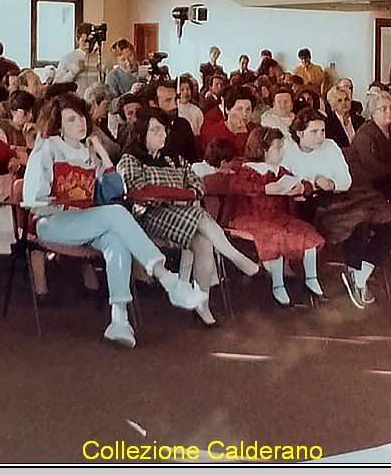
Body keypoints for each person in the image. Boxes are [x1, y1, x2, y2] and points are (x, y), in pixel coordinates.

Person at [21, 94, 206, 347]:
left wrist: (102, 156)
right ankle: (168, 279)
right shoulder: (47, 148)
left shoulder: (87, 151)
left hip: (86, 220)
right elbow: (32, 198)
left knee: (115, 240)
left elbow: (114, 191)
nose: (80, 124)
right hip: (52, 222)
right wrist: (56, 198)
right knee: (116, 215)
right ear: (59, 125)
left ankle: (119, 321)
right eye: (71, 120)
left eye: (81, 117)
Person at [116, 110, 260, 326]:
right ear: (141, 133)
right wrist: (177, 190)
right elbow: (138, 191)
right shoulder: (130, 160)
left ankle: (202, 303)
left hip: (182, 215)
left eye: (164, 130)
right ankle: (235, 257)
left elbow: (196, 185)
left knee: (203, 242)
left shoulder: (173, 157)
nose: (162, 135)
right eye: (155, 130)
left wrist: (172, 190)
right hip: (147, 217)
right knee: (200, 217)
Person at [285, 108, 391, 309]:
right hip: (314, 203)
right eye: (314, 132)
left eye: (322, 131)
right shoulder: (289, 151)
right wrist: (314, 181)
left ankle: (359, 274)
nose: (321, 136)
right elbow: (289, 179)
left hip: (342, 194)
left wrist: (332, 183)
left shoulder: (330, 146)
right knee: (360, 224)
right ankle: (356, 274)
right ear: (299, 133)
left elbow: (345, 179)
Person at [228, 127, 324, 307]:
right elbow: (239, 187)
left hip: (276, 217)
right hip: (250, 219)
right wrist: (264, 189)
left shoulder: (280, 171)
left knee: (305, 231)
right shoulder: (248, 170)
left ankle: (312, 279)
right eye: (277, 148)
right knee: (275, 235)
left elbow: (300, 182)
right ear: (263, 150)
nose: (282, 152)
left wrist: (302, 188)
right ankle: (277, 286)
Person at [146, 81, 200, 162]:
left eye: (175, 99)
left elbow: (193, 160)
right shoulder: (143, 128)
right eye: (168, 100)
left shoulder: (183, 125)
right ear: (153, 103)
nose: (174, 105)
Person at [197, 87, 257, 159]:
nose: (245, 114)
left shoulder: (255, 133)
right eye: (239, 109)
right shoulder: (211, 132)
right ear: (227, 110)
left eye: (248, 110)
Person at [54, 22, 104, 95]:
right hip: (75, 102)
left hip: (94, 103)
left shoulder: (100, 59)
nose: (88, 46)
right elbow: (57, 85)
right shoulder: (68, 58)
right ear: (77, 39)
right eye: (84, 41)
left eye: (91, 41)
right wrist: (73, 72)